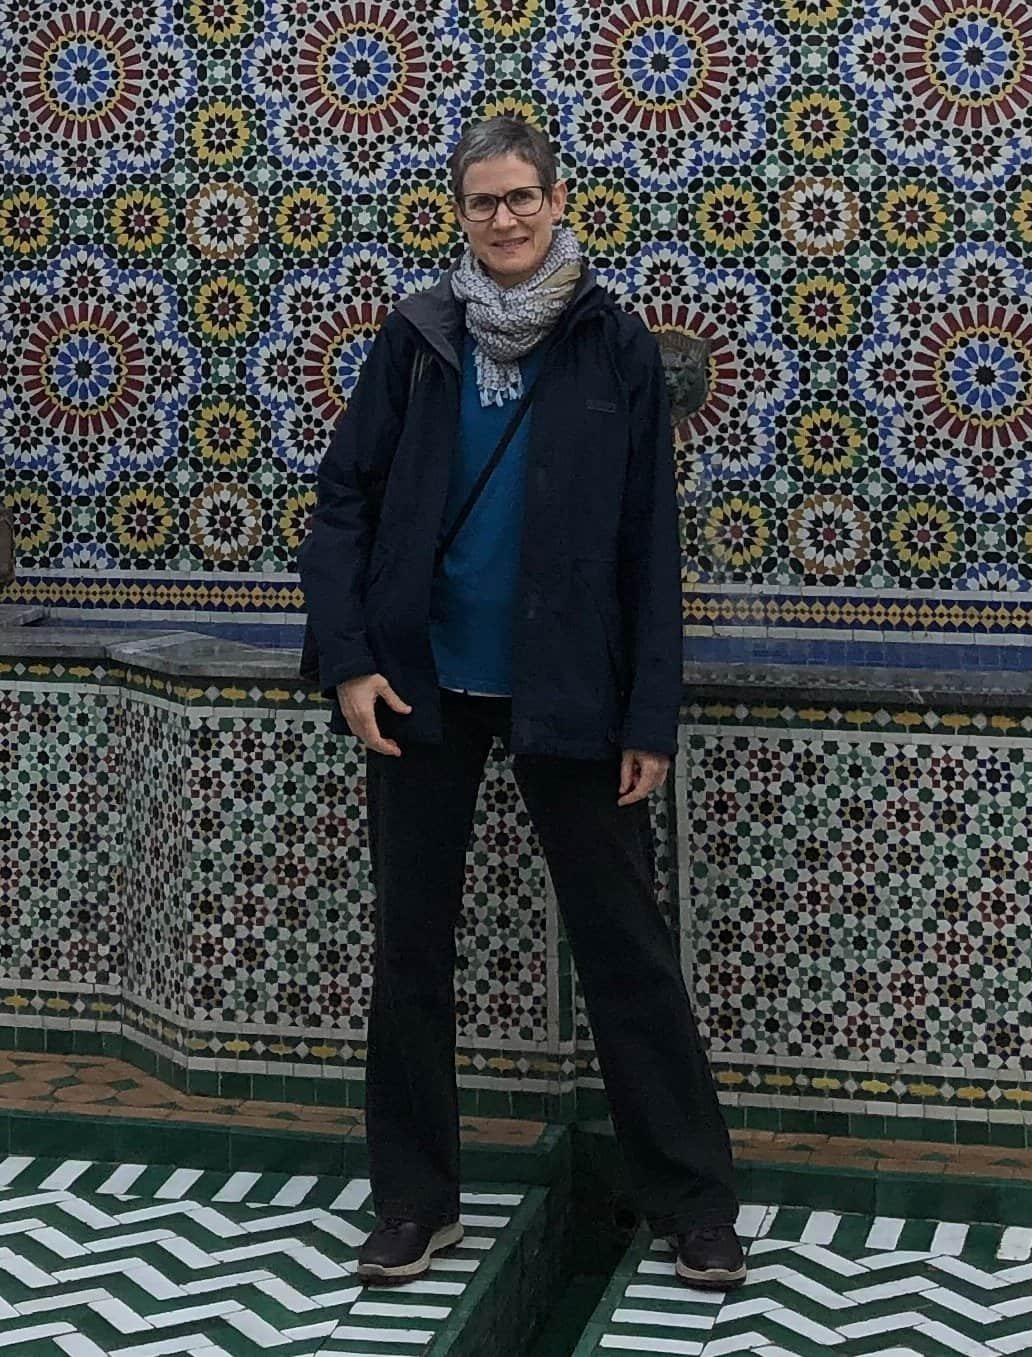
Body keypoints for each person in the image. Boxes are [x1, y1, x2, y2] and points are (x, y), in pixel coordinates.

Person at [298, 116, 746, 1290]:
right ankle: (414, 1203)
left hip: (570, 693)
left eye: (521, 197)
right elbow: (342, 503)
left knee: (627, 952)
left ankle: (694, 1204)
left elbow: (650, 543)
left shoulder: (613, 345)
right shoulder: (416, 339)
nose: (504, 218)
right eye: (482, 202)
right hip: (420, 689)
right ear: (460, 212)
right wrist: (349, 661)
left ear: (559, 199)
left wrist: (650, 717)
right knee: (410, 955)